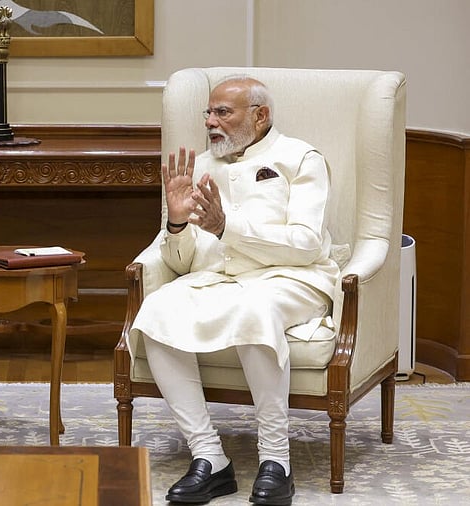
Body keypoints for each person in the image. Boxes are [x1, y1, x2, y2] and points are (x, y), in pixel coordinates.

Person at [130, 76, 338, 505]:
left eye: (222, 112)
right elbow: (185, 262)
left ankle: (276, 461)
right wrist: (175, 223)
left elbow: (306, 244)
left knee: (255, 308)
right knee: (156, 309)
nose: (210, 122)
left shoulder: (300, 158)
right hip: (220, 280)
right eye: (208, 113)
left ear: (260, 115)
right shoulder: (202, 166)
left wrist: (228, 227)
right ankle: (209, 458)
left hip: (292, 278)